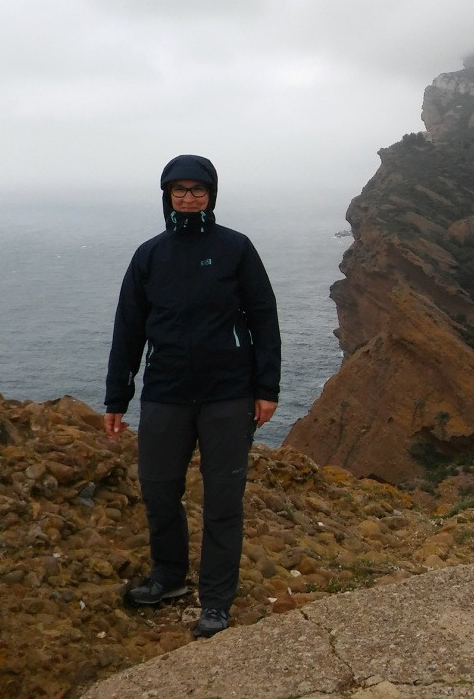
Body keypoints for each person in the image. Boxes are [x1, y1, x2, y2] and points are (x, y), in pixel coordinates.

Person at [104, 154, 281, 639]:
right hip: (166, 392)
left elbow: (263, 317)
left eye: (197, 190)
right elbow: (128, 328)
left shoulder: (236, 248)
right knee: (159, 489)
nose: (187, 198)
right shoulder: (150, 255)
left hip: (229, 393)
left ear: (211, 195)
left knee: (223, 498)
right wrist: (117, 397)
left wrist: (267, 389)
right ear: (167, 195)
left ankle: (217, 601)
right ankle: (168, 577)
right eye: (179, 190)